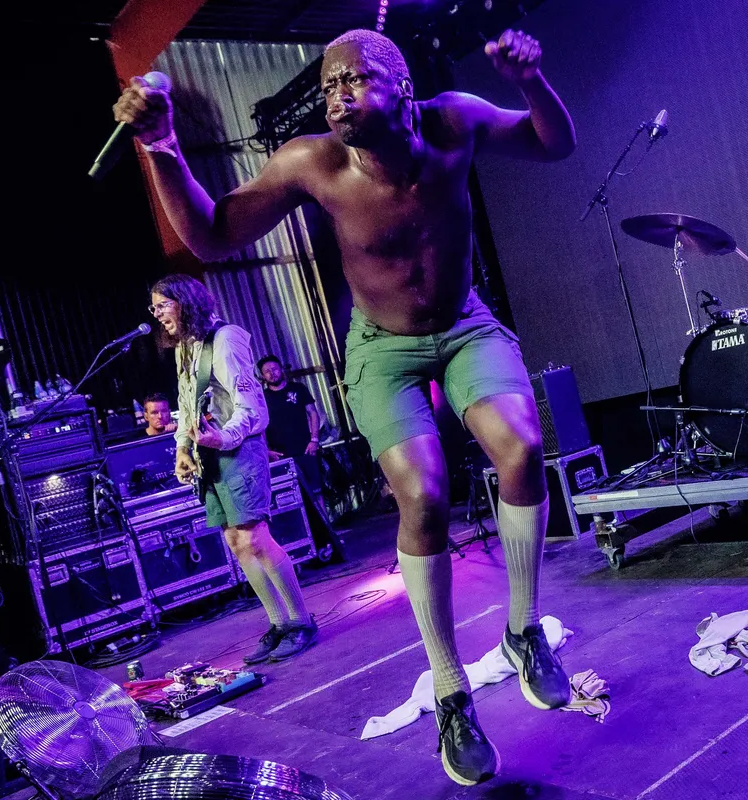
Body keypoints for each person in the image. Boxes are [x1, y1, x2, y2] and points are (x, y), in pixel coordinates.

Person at [115, 28, 575, 785]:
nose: (336, 96)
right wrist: (162, 146)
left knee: (522, 446)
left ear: (402, 85)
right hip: (380, 347)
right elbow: (213, 236)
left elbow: (552, 142)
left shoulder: (454, 121)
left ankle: (524, 632)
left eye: (354, 79)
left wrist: (531, 79)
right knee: (422, 494)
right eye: (328, 85)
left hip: (464, 325)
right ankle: (451, 691)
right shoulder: (314, 163)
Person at [150, 274, 317, 664]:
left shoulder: (226, 340)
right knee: (235, 541)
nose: (157, 314)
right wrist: (183, 447)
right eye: (153, 307)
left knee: (255, 537)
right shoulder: (185, 348)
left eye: (162, 305)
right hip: (210, 452)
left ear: (185, 301)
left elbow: (252, 408)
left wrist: (222, 439)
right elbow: (187, 404)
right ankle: (279, 623)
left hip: (239, 448)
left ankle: (301, 621)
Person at [258, 355, 323, 494]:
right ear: (263, 376)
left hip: (305, 449)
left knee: (316, 492)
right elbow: (259, 427)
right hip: (279, 455)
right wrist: (266, 451)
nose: (272, 373)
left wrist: (314, 440)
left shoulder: (298, 389)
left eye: (274, 369)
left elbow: (313, 413)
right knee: (290, 495)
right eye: (267, 371)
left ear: (281, 369)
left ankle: (321, 510)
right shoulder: (261, 398)